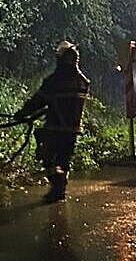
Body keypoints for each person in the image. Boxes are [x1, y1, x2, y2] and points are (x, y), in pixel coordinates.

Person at [15, 41, 91, 202]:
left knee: (46, 156)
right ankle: (60, 189)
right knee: (64, 159)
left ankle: (57, 185)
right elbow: (64, 102)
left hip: (55, 128)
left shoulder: (54, 81)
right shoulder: (83, 82)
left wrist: (22, 113)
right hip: (73, 130)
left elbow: (39, 100)